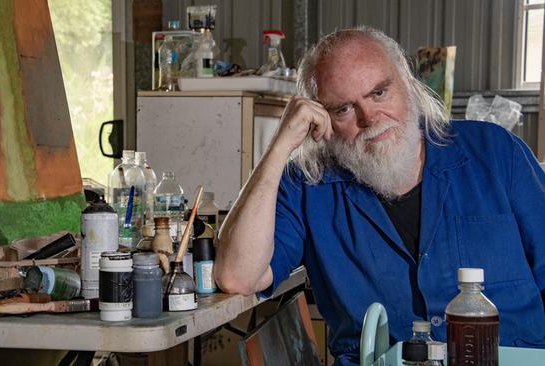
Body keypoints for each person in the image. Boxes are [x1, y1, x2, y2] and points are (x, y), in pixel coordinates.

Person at [214, 26, 545, 365]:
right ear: (321, 121)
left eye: (379, 93)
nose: (369, 118)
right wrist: (279, 146)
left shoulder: (494, 153)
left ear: (408, 84)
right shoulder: (306, 186)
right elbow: (237, 276)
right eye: (343, 108)